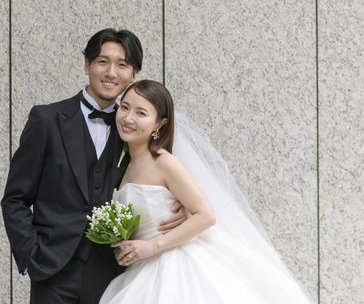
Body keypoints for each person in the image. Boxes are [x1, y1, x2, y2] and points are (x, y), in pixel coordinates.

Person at [1, 29, 185, 304]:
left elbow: (163, 178)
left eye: (122, 64)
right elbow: (15, 198)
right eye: (102, 61)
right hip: (52, 270)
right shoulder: (47, 120)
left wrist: (178, 206)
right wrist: (31, 256)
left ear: (133, 74)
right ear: (87, 64)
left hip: (113, 273)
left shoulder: (135, 130)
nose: (111, 72)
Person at [99, 79, 313, 304]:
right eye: (125, 107)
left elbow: (206, 215)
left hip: (174, 265)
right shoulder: (124, 166)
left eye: (141, 113)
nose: (128, 118)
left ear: (159, 124)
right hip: (140, 270)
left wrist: (153, 246)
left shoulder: (164, 162)